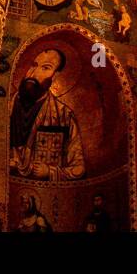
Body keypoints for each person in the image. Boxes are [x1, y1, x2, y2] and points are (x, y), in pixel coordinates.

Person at [9, 49, 85, 179]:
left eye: (46, 68)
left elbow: (79, 169)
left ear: (54, 76)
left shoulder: (63, 115)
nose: (33, 73)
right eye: (34, 65)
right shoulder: (5, 105)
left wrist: (50, 171)